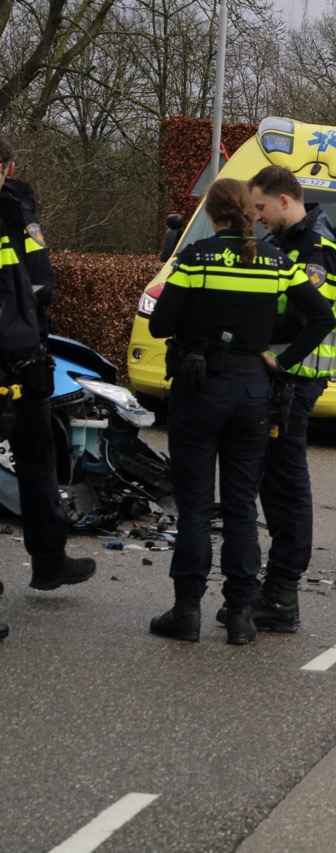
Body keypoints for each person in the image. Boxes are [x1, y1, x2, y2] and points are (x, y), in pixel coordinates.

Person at [148, 178, 333, 645]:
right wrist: (284, 360)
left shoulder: (196, 257)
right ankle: (240, 616)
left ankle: (187, 610)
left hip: (200, 388)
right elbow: (322, 318)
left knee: (193, 507)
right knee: (241, 509)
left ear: (213, 215)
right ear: (248, 213)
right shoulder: (276, 260)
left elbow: (160, 322)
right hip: (253, 390)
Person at [237, 165, 336, 633]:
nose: (258, 217)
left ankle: (283, 595)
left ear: (285, 201)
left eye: (261, 208)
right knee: (274, 484)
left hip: (296, 381)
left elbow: (308, 320)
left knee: (286, 486)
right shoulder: (293, 242)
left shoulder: (315, 249)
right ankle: (276, 592)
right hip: (287, 380)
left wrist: (273, 356)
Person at [0, 131, 96, 642]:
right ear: (8, 169)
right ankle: (49, 559)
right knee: (36, 457)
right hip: (21, 359)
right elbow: (43, 282)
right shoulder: (17, 210)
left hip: (21, 358)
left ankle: (51, 559)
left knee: (37, 456)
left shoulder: (17, 206)